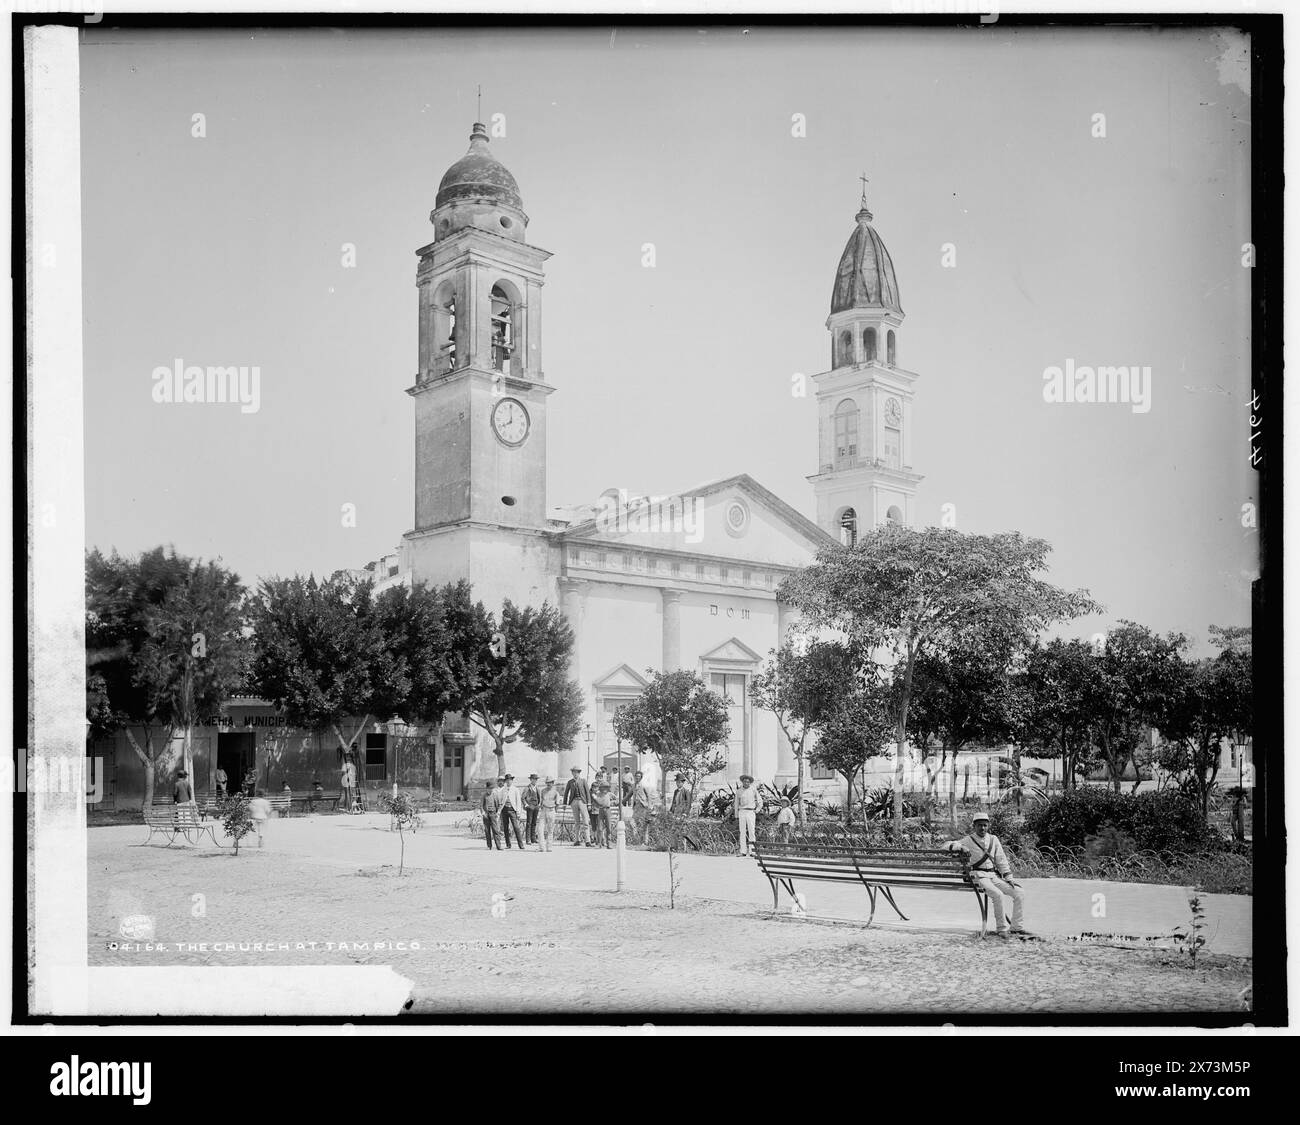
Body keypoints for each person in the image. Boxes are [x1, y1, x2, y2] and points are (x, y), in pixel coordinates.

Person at [944, 810, 1026, 938]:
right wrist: (960, 847)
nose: (982, 828)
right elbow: (946, 845)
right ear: (974, 826)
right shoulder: (969, 840)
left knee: (1019, 893)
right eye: (979, 825)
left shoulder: (994, 839)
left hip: (993, 876)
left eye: (985, 825)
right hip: (978, 875)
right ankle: (1002, 929)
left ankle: (1016, 927)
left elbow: (1001, 860)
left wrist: (1008, 877)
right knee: (998, 894)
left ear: (988, 826)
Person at [734, 774, 762, 857]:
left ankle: (752, 851)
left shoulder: (753, 790)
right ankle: (743, 851)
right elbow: (736, 804)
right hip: (742, 812)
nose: (746, 783)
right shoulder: (739, 791)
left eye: (748, 781)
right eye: (745, 781)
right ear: (742, 782)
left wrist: (757, 810)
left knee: (751, 831)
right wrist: (736, 815)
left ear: (750, 783)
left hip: (750, 812)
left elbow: (760, 801)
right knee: (742, 832)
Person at [563, 767, 592, 847]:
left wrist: (589, 803)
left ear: (579, 773)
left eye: (576, 772)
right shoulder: (570, 782)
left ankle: (587, 841)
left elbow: (587, 793)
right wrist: (565, 804)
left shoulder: (583, 781)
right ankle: (577, 840)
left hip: (582, 802)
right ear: (572, 773)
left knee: (585, 821)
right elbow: (566, 793)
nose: (575, 774)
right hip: (574, 802)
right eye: (573, 772)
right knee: (577, 822)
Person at [499, 774, 525, 850]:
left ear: (512, 781)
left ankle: (521, 845)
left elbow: (518, 801)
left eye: (510, 780)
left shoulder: (515, 789)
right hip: (504, 810)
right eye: (507, 780)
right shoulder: (503, 790)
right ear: (505, 781)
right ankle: (508, 844)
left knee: (516, 827)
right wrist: (500, 809)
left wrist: (518, 812)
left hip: (512, 810)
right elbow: (500, 800)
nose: (508, 781)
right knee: (505, 828)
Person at [630, 770, 654, 845]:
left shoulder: (644, 785)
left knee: (643, 824)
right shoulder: (633, 785)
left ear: (641, 778)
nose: (637, 778)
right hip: (636, 806)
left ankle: (644, 841)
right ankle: (636, 840)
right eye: (636, 776)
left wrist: (649, 806)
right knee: (633, 823)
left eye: (639, 777)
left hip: (643, 806)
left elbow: (649, 796)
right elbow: (630, 794)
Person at [537, 776, 560, 852]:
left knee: (550, 830)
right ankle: (542, 847)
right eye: (547, 783)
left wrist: (554, 811)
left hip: (551, 810)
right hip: (544, 810)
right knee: (540, 829)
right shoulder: (543, 791)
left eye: (550, 782)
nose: (548, 784)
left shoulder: (556, 792)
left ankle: (549, 846)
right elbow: (541, 801)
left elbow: (557, 804)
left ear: (553, 783)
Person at [480, 784, 502, 850]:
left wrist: (498, 813)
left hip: (493, 814)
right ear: (486, 789)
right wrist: (483, 813)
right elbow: (481, 805)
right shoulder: (484, 795)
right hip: (486, 814)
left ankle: (498, 846)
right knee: (487, 830)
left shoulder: (495, 795)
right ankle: (489, 846)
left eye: (491, 789)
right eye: (489, 789)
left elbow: (498, 805)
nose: (490, 790)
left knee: (495, 830)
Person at [590, 783, 613, 848]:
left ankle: (609, 843)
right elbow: (596, 802)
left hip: (608, 810)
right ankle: (599, 843)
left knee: (608, 827)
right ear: (601, 788)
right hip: (600, 810)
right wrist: (597, 803)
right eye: (603, 787)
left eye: (606, 787)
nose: (604, 789)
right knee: (600, 827)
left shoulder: (609, 794)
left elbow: (616, 799)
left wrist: (613, 802)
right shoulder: (598, 794)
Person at [522, 773, 542, 845]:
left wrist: (538, 805)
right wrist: (526, 805)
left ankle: (533, 839)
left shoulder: (537, 788)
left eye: (536, 779)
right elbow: (523, 798)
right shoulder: (527, 788)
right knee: (529, 823)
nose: (535, 781)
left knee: (534, 823)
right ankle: (528, 839)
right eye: (533, 779)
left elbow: (539, 798)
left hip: (536, 807)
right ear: (530, 780)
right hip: (530, 807)